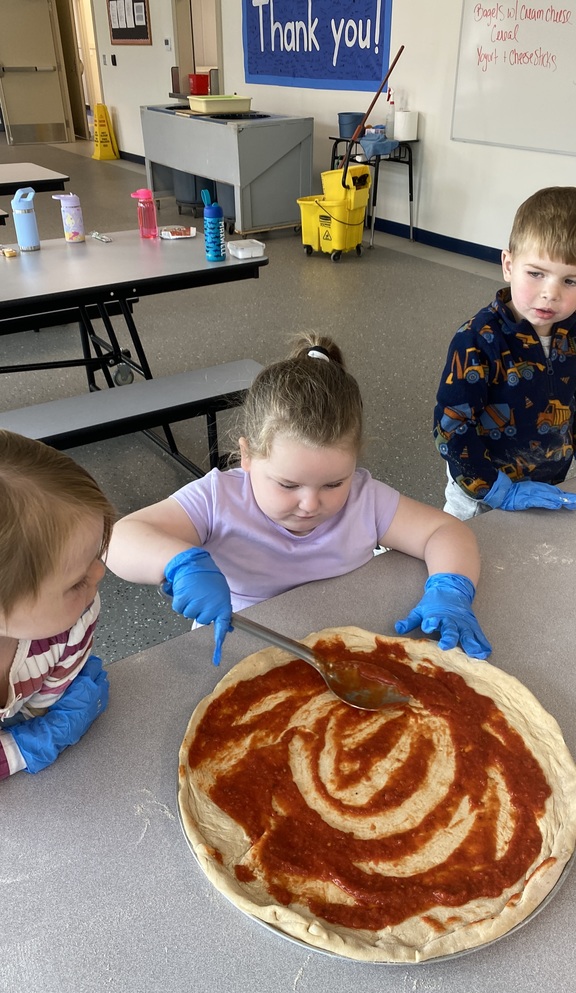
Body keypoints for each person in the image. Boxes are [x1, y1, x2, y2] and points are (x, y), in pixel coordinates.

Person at [106, 333, 491, 666]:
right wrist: (178, 563)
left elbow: (445, 531)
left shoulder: (363, 500)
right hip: (238, 652)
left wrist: (450, 589)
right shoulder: (218, 499)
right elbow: (120, 539)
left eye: (333, 484)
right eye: (287, 485)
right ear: (248, 457)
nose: (310, 504)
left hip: (341, 649)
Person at [434, 185, 576, 520]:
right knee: (461, 546)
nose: (550, 294)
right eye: (536, 273)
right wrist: (495, 489)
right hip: (479, 493)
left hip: (547, 482)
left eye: (571, 281)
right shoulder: (477, 340)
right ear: (509, 265)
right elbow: (451, 427)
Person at [0, 430, 115, 780]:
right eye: (77, 581)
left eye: (98, 554)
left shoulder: (71, 623)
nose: (101, 573)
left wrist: (48, 708)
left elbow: (44, 707)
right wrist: (22, 748)